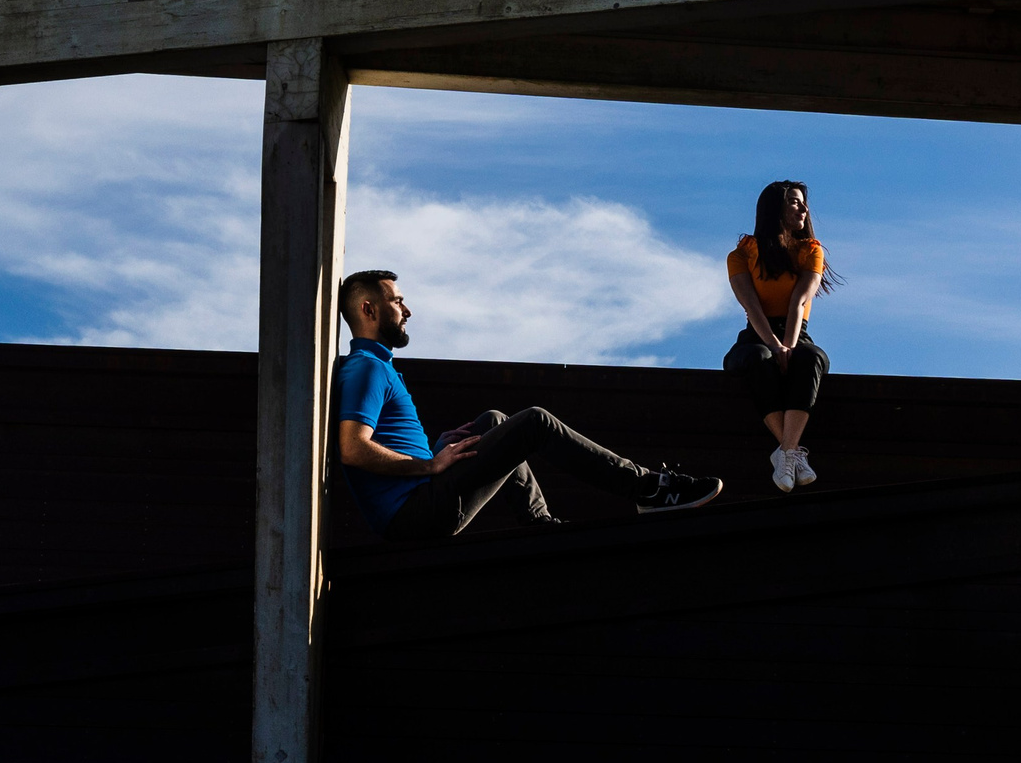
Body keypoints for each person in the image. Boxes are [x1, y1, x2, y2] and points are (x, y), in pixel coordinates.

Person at [332, 268, 723, 541]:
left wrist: (435, 450)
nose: (408, 311)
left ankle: (538, 522)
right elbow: (352, 448)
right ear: (369, 310)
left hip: (421, 499)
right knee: (535, 422)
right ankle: (650, 489)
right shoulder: (364, 368)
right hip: (413, 517)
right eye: (397, 301)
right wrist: (432, 464)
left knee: (494, 421)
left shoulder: (376, 366)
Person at [724, 179, 837, 493]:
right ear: (775, 208)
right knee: (758, 358)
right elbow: (751, 305)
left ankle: (786, 452)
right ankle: (791, 452)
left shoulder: (810, 251)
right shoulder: (742, 254)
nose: (802, 208)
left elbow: (799, 301)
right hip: (756, 334)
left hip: (796, 331)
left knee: (811, 357)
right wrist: (774, 347)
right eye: (793, 201)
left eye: (803, 202)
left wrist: (787, 346)